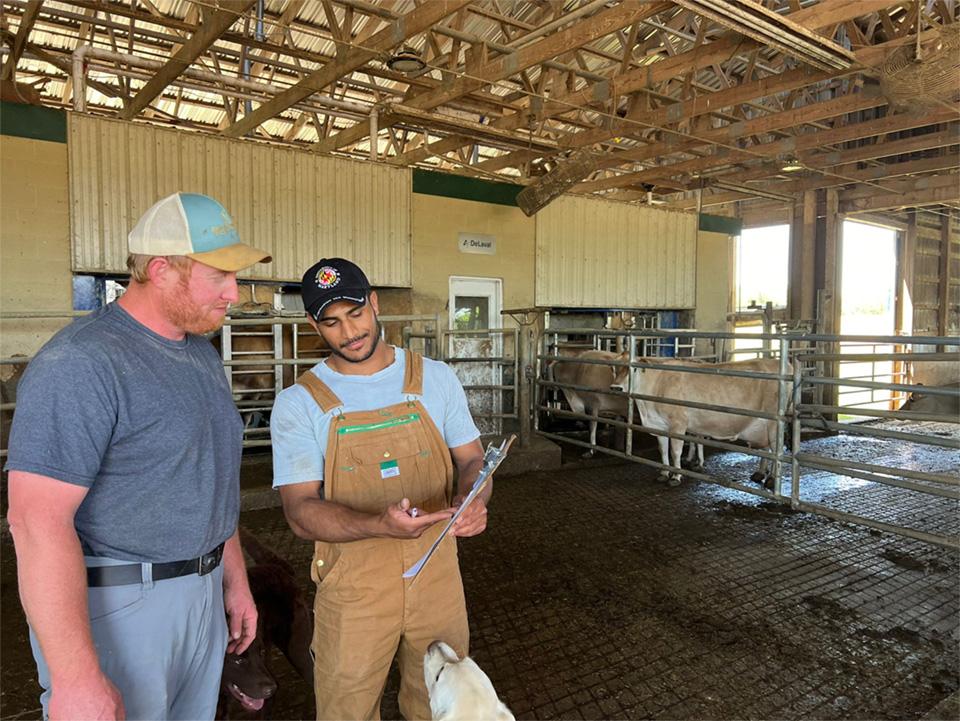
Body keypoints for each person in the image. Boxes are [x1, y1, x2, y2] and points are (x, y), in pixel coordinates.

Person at [6, 192, 271, 721]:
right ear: (160, 270)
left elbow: (207, 478)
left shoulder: (197, 353)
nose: (234, 293)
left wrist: (231, 576)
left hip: (201, 593)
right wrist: (76, 677)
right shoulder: (81, 363)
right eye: (219, 276)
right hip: (120, 604)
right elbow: (35, 521)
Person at [270, 257, 489, 721]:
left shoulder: (436, 378)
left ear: (373, 303)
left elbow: (473, 459)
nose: (348, 332)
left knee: (441, 708)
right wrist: (376, 524)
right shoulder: (299, 403)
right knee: (346, 708)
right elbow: (299, 510)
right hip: (354, 587)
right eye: (331, 322)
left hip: (437, 578)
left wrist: (473, 499)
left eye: (355, 313)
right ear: (314, 323)